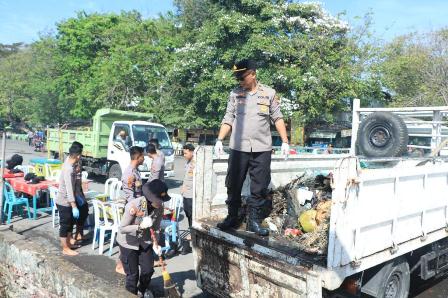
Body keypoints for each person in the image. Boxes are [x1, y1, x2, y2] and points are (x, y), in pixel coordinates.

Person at [214, 59, 289, 236]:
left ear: (253, 74)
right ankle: (232, 217)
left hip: (262, 149)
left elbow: (277, 118)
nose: (239, 81)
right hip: (239, 149)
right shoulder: (235, 94)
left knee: (260, 187)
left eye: (242, 77)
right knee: (233, 184)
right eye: (237, 78)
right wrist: (219, 139)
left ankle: (253, 222)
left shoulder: (269, 93)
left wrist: (285, 141)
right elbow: (228, 118)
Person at [117, 179, 171, 296]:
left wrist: (156, 243)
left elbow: (156, 228)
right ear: (151, 197)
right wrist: (139, 226)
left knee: (148, 270)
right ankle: (131, 294)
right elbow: (122, 228)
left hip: (145, 241)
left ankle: (141, 290)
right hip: (129, 243)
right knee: (132, 275)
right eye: (159, 200)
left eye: (162, 200)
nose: (161, 202)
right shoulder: (134, 205)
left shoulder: (159, 208)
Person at [55, 141, 89, 256]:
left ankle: (68, 244)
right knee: (65, 225)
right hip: (64, 201)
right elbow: (69, 189)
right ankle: (65, 248)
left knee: (70, 223)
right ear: (78, 155)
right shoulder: (68, 168)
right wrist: (74, 206)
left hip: (69, 201)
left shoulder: (70, 163)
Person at [181, 143, 195, 228]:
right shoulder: (188, 162)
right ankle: (191, 230)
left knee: (191, 214)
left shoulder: (196, 163)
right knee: (187, 212)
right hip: (186, 193)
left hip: (191, 194)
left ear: (192, 152)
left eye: (186, 153)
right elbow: (186, 177)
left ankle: (192, 232)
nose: (184, 155)